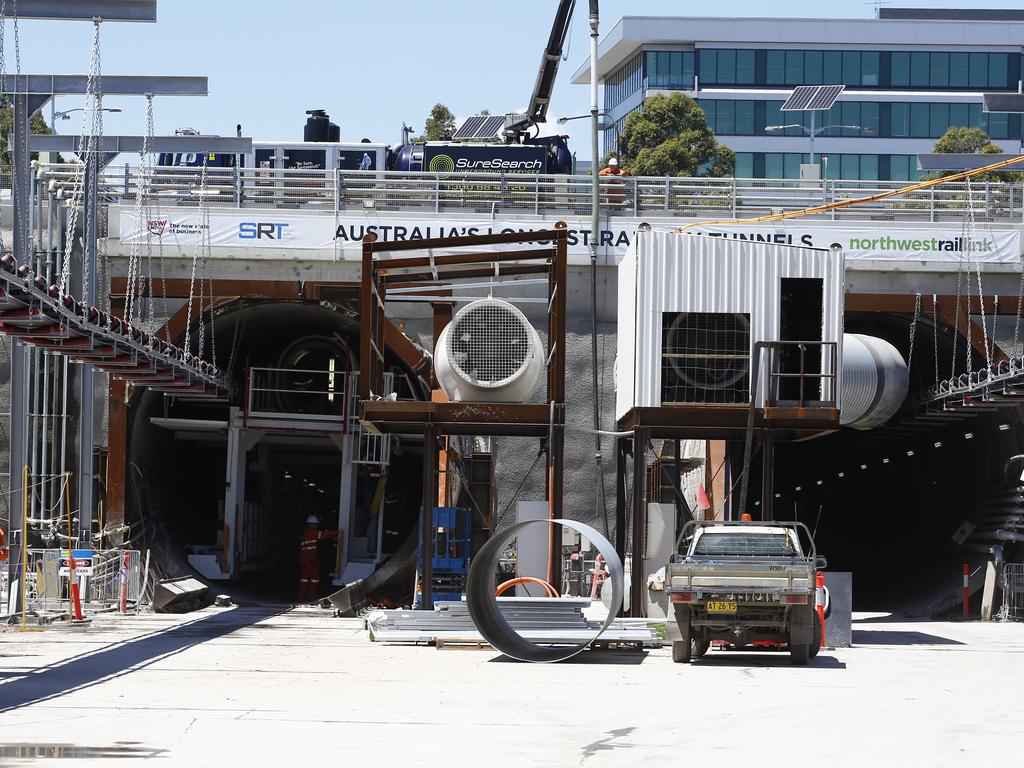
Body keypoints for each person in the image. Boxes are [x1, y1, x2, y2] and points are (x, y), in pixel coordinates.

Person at [297, 515, 337, 602]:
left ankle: (301, 596)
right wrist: (335, 532)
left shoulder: (305, 532)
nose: (317, 526)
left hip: (304, 559)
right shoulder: (312, 532)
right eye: (316, 524)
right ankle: (311, 596)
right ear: (313, 524)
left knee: (305, 578)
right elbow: (323, 535)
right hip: (309, 559)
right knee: (315, 577)